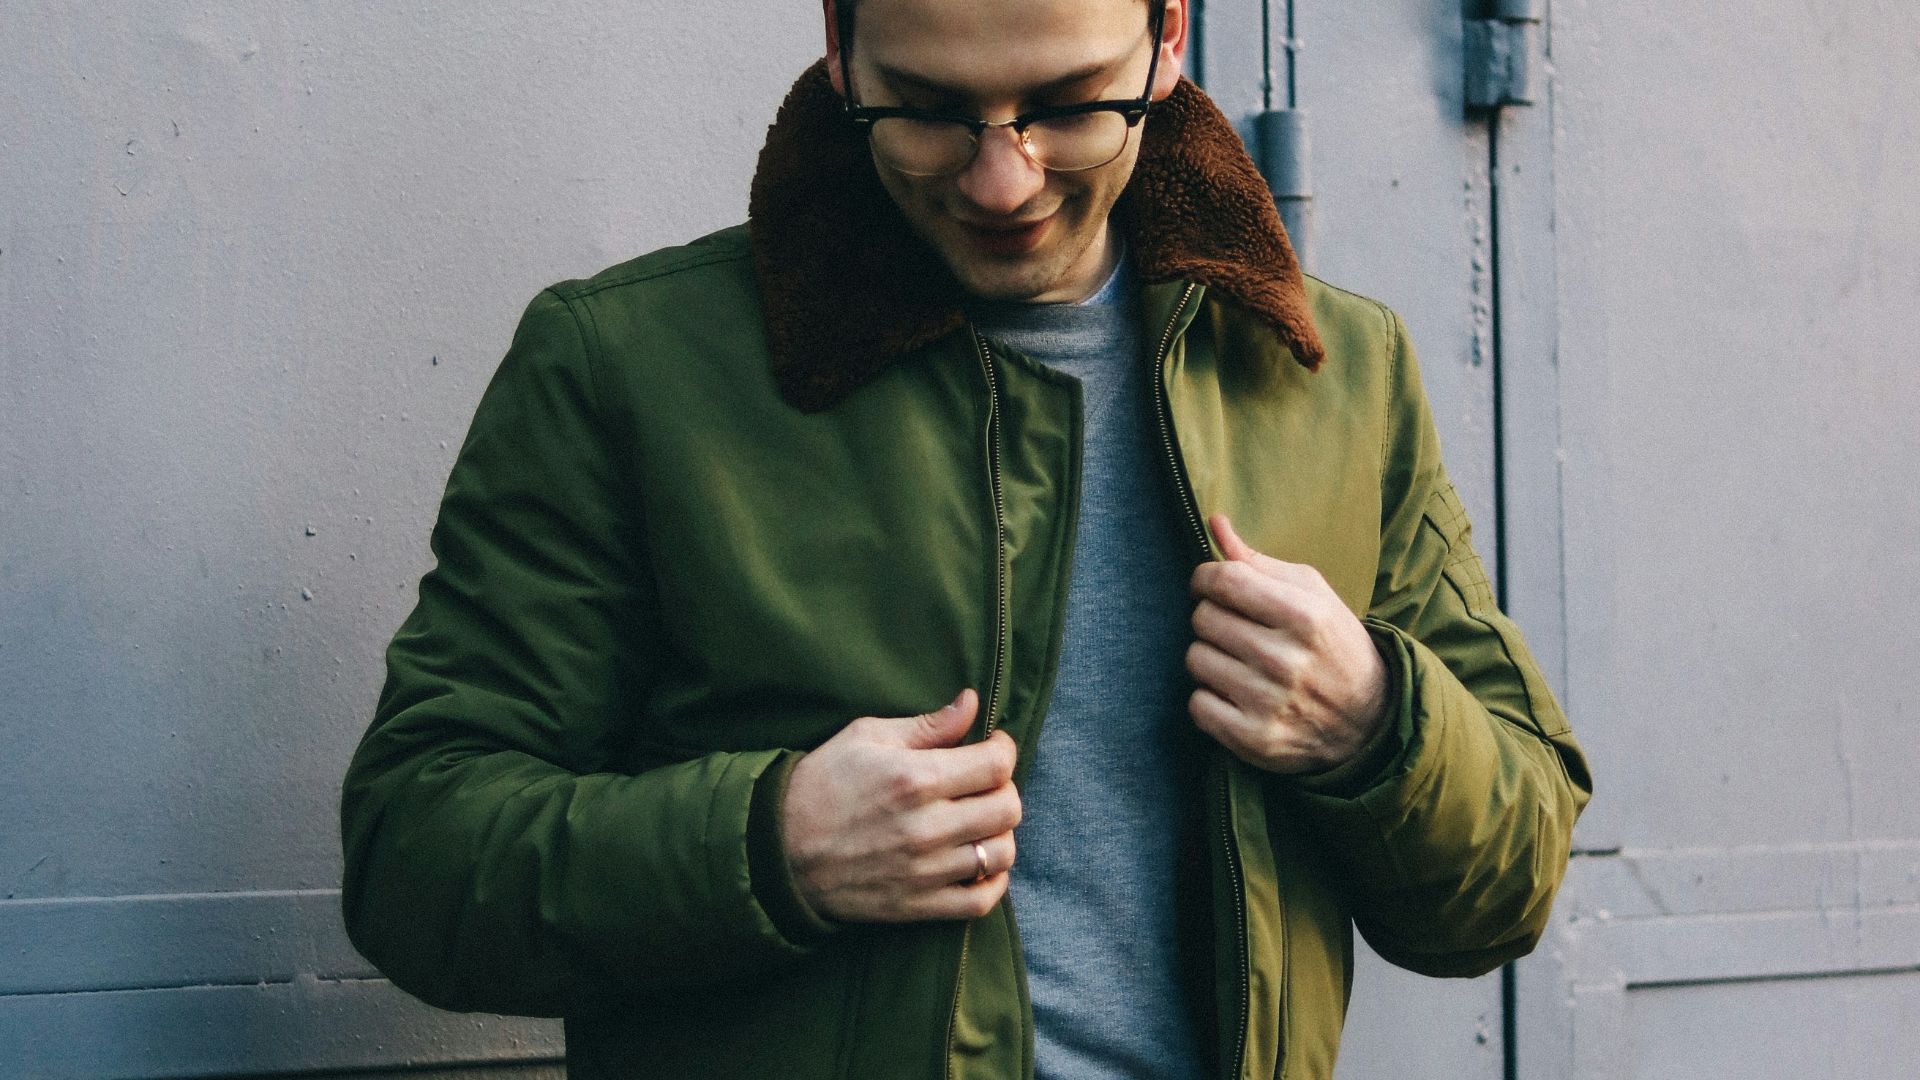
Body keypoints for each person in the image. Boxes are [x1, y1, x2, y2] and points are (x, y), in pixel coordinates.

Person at [338, 1, 1592, 1077]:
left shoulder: (1334, 373)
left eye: (1065, 104)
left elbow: (1508, 882)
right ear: (841, 48)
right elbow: (417, 856)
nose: (1003, 181)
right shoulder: (627, 369)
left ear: (1167, 37)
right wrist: (772, 846)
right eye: (929, 109)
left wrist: (1375, 721)